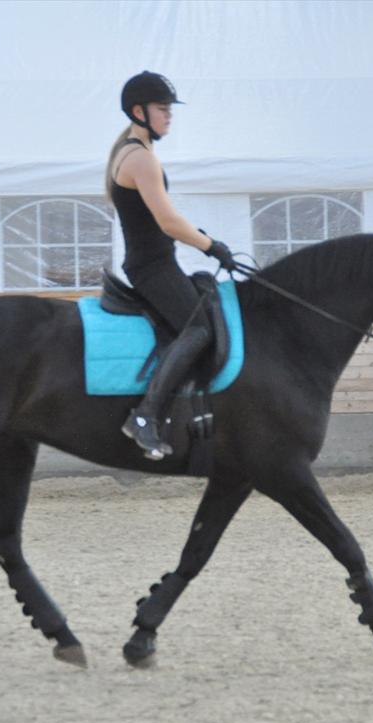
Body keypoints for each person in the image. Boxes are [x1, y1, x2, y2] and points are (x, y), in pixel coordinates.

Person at [106, 71, 237, 460]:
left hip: (156, 262)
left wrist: (199, 238)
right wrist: (212, 246)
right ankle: (145, 416)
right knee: (198, 329)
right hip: (152, 267)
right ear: (138, 111)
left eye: (169, 110)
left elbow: (164, 219)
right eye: (163, 109)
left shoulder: (133, 153)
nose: (169, 117)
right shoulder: (140, 159)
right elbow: (167, 222)